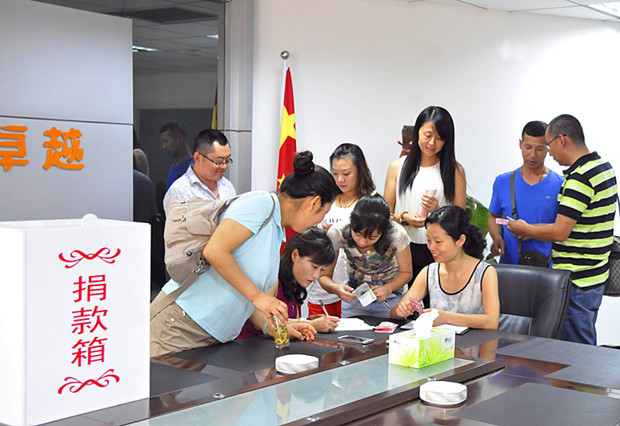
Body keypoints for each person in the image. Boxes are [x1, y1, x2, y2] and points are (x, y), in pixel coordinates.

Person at [150, 151, 341, 356]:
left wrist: (276, 327)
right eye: (324, 212)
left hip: (213, 337)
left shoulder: (276, 230)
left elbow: (245, 299)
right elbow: (215, 251)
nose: (320, 220)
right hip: (180, 324)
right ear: (314, 203)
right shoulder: (261, 204)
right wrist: (259, 297)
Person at [507, 114, 617, 345]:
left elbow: (560, 232)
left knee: (575, 348)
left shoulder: (580, 178)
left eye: (548, 145)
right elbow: (574, 224)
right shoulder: (602, 167)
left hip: (578, 280)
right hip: (595, 274)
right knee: (582, 341)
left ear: (562, 139)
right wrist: (531, 229)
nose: (549, 154)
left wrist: (528, 229)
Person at [384, 106, 467, 292]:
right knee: (405, 303)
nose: (432, 143)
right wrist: (405, 218)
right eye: (427, 135)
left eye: (440, 138)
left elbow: (460, 220)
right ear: (417, 133)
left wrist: (438, 213)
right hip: (403, 249)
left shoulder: (455, 171)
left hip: (440, 251)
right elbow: (384, 216)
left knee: (436, 302)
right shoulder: (397, 167)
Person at [391, 205, 499, 330]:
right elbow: (394, 313)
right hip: (438, 341)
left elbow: (492, 322)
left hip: (475, 341)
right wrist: (401, 311)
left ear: (460, 240)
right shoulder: (429, 272)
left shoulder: (485, 273)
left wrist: (446, 317)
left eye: (438, 242)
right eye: (428, 240)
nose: (431, 247)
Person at [306, 143, 376, 318]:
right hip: (324, 288)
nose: (340, 179)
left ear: (360, 171)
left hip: (357, 291)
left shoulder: (370, 203)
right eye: (335, 173)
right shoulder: (324, 199)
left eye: (346, 174)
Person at [237, 227, 341, 339]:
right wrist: (310, 324)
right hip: (250, 345)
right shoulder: (273, 280)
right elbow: (262, 319)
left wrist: (306, 321)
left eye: (321, 270)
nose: (316, 275)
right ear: (295, 255)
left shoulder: (295, 285)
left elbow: (285, 322)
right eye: (314, 267)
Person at [319, 196, 412, 318]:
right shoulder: (338, 232)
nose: (362, 242)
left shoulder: (397, 235)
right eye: (357, 234)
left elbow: (407, 272)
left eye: (372, 237)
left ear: (383, 231)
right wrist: (335, 288)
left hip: (390, 300)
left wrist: (387, 288)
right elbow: (324, 276)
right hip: (354, 301)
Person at [488, 121, 564, 265]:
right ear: (520, 144)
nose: (532, 155)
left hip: (548, 269)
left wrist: (530, 230)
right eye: (528, 147)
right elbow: (494, 217)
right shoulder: (503, 182)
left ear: (548, 148)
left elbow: (563, 228)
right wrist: (497, 237)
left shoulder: (560, 184)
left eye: (540, 149)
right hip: (509, 267)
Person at [163, 129, 236, 215]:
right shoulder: (179, 191)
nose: (224, 166)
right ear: (198, 158)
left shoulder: (227, 185)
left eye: (227, 160)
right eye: (218, 162)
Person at [160, 122, 193, 189]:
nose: (164, 146)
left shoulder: (194, 168)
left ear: (179, 139)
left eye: (166, 141)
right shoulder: (173, 168)